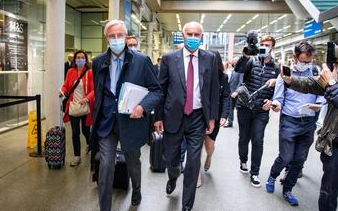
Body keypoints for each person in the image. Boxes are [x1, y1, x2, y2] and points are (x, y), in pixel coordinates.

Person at [90, 20, 162, 211]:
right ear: (106, 38)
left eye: (119, 35)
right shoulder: (98, 62)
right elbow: (99, 92)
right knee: (105, 166)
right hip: (106, 123)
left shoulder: (141, 61)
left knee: (133, 162)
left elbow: (156, 91)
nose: (116, 39)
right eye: (112, 36)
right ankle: (104, 208)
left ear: (126, 36)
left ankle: (137, 191)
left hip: (131, 122)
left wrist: (143, 107)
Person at [154, 21, 220, 211]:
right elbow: (161, 89)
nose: (192, 38)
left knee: (192, 162)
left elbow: (214, 89)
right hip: (173, 116)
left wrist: (212, 118)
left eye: (196, 35)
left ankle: (187, 205)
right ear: (183, 36)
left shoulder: (209, 58)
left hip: (198, 117)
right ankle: (173, 176)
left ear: (201, 37)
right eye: (189, 34)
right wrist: (158, 117)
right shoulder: (169, 58)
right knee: (171, 159)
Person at [281, 58, 338, 211]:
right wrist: (291, 80)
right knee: (328, 192)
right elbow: (314, 84)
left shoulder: (336, 81)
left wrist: (332, 85)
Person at [265, 41, 325, 206]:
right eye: (303, 61)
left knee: (299, 160)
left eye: (309, 61)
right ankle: (272, 176)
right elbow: (278, 98)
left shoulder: (315, 71)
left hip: (309, 123)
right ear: (295, 57)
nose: (307, 64)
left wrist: (318, 104)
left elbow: (322, 93)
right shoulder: (285, 74)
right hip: (289, 121)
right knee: (286, 157)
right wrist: (276, 105)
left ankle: (287, 188)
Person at [235, 35, 279, 187]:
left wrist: (272, 101)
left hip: (261, 111)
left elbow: (279, 90)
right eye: (262, 44)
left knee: (258, 141)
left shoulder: (276, 68)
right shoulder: (251, 61)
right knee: (244, 138)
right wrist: (245, 55)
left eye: (267, 45)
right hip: (244, 107)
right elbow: (238, 69)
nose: (264, 47)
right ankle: (243, 160)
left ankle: (255, 173)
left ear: (273, 47)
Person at [198, 50, 231, 187]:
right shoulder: (198, 73)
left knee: (209, 146)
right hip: (198, 114)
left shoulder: (223, 77)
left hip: (214, 116)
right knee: (196, 147)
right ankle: (196, 175)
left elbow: (226, 96)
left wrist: (224, 115)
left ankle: (209, 156)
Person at [60, 50, 94, 166]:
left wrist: (87, 98)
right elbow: (66, 85)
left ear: (85, 60)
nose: (80, 59)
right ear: (75, 59)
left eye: (82, 57)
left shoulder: (89, 72)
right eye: (78, 57)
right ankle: (77, 156)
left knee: (85, 131)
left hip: (85, 107)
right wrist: (62, 92)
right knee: (75, 133)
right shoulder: (70, 71)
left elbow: (94, 90)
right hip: (73, 107)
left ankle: (90, 144)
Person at [226, 56, 243, 128]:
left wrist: (237, 92)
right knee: (230, 108)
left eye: (234, 61)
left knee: (239, 109)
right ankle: (230, 122)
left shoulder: (241, 70)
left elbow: (241, 82)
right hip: (231, 92)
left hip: (237, 93)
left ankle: (242, 124)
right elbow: (231, 81)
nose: (232, 62)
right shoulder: (234, 70)